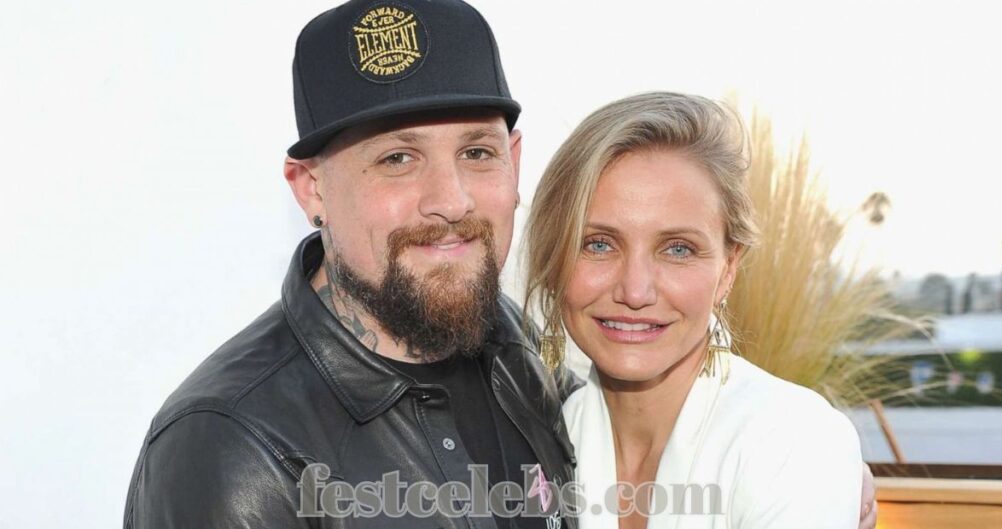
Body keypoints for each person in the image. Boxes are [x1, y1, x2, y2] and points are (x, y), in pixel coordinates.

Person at [123, 1, 577, 528]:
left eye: (477, 153)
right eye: (397, 159)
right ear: (312, 189)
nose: (452, 201)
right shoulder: (230, 449)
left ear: (514, 163)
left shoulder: (514, 338)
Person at [524, 92, 870, 528]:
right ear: (552, 258)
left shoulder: (793, 442)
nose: (635, 291)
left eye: (677, 249)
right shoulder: (537, 444)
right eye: (598, 244)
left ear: (728, 269)